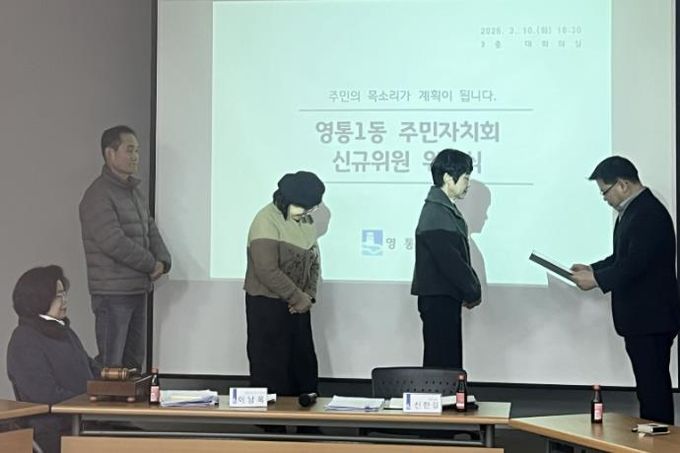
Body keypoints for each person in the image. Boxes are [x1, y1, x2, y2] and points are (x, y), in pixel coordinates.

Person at [571, 156, 680, 424]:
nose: (604, 198)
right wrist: (593, 269)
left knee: (653, 387)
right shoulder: (634, 210)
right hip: (643, 319)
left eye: (605, 191)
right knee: (648, 386)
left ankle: (660, 437)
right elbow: (621, 257)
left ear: (622, 184)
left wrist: (597, 280)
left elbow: (634, 264)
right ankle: (655, 433)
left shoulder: (648, 213)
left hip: (651, 318)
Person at [79, 125, 171, 370]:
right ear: (110, 154)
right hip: (112, 293)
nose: (135, 157)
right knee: (112, 365)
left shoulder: (133, 192)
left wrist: (163, 260)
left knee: (133, 363)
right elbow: (113, 241)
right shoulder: (98, 195)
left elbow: (150, 228)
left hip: (136, 288)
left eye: (137, 151)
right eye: (129, 150)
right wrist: (151, 264)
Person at [244, 171, 325, 401]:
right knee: (272, 370)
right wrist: (296, 297)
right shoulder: (265, 220)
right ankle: (273, 421)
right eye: (303, 207)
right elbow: (266, 269)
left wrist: (308, 296)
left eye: (311, 209)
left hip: (299, 306)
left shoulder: (306, 222)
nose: (307, 213)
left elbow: (314, 261)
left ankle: (307, 418)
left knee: (303, 368)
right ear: (285, 200)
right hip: (267, 307)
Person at [7, 265, 99, 453]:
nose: (64, 300)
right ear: (38, 299)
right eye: (58, 296)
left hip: (86, 421)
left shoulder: (64, 331)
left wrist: (114, 385)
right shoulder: (24, 339)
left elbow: (91, 368)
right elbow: (45, 394)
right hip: (55, 430)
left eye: (64, 294)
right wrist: (91, 399)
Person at [411, 149, 482, 368]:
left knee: (445, 361)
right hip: (439, 299)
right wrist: (472, 289)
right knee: (442, 365)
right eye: (465, 178)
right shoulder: (436, 212)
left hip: (443, 298)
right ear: (448, 178)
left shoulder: (442, 208)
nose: (467, 184)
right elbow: (451, 261)